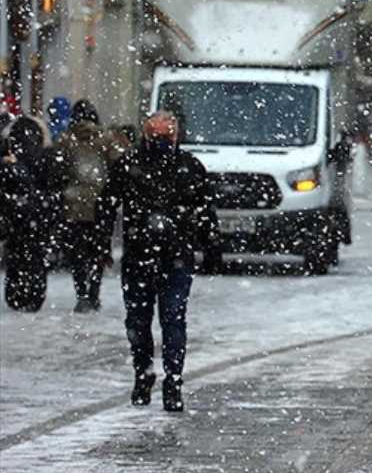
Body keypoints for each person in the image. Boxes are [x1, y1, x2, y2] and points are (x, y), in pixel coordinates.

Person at [96, 112, 221, 412]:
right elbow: (106, 204)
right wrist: (101, 245)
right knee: (143, 321)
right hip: (144, 256)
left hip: (171, 256)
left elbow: (205, 210)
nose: (163, 142)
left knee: (169, 320)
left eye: (166, 136)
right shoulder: (133, 166)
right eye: (158, 136)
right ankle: (147, 374)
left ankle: (171, 380)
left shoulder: (186, 167)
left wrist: (210, 245)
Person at [51, 100, 123, 312]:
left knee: (77, 253)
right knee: (98, 251)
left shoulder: (66, 139)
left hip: (73, 204)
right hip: (100, 204)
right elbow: (118, 165)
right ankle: (94, 292)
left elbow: (58, 169)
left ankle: (81, 293)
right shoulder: (106, 139)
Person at [1, 116, 61, 312]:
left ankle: (16, 294)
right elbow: (52, 182)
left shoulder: (11, 157)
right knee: (35, 255)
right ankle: (33, 295)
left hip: (16, 212)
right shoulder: (45, 154)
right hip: (37, 213)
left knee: (17, 253)